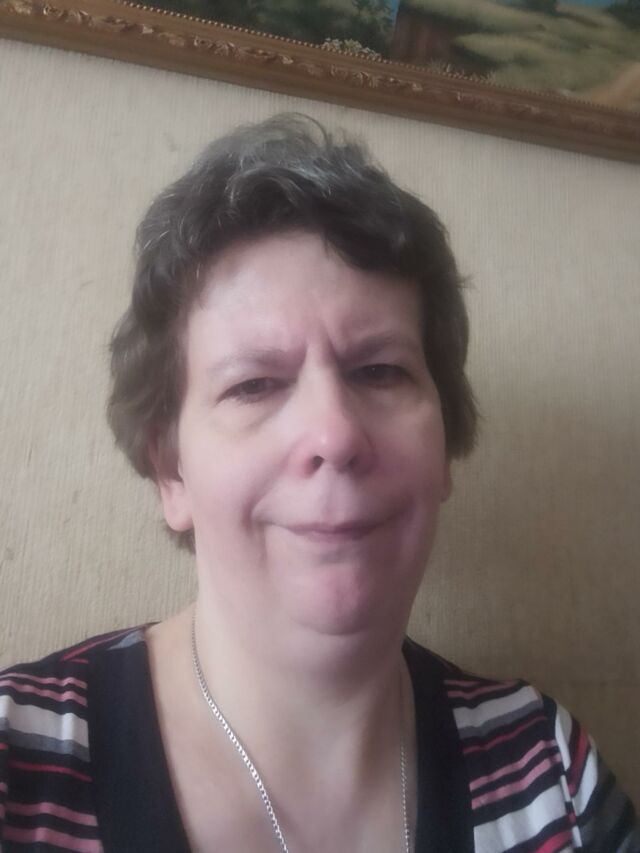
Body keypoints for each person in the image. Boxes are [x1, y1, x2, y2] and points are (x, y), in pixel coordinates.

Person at [0, 114, 637, 853]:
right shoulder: (19, 766)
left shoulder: (549, 772)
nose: (334, 435)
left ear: (444, 448)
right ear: (172, 471)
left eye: (380, 370)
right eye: (254, 384)